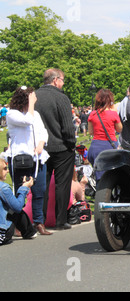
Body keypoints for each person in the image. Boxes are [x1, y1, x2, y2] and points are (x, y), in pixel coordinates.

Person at [5, 86, 52, 236]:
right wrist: (31, 103)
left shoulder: (35, 114)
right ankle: (18, 225)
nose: (35, 100)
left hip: (36, 159)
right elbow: (27, 121)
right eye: (32, 98)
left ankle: (39, 222)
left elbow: (42, 131)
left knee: (39, 192)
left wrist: (41, 143)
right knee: (20, 193)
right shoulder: (12, 114)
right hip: (20, 159)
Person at [35, 68, 76, 230]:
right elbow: (67, 127)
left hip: (40, 147)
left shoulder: (34, 97)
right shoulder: (61, 98)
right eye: (63, 80)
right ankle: (60, 220)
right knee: (62, 185)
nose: (63, 83)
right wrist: (71, 143)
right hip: (61, 147)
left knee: (42, 184)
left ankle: (40, 219)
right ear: (55, 80)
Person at [0, 154, 36, 245]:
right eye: (4, 169)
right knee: (14, 210)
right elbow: (18, 207)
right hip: (2, 234)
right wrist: (24, 188)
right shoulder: (3, 188)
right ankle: (29, 232)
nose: (7, 171)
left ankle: (29, 232)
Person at [87, 89, 122, 180]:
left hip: (95, 146)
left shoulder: (93, 114)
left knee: (100, 176)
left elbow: (91, 132)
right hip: (109, 146)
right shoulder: (113, 114)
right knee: (112, 176)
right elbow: (120, 129)